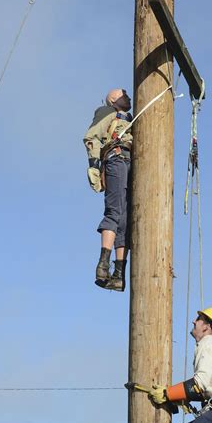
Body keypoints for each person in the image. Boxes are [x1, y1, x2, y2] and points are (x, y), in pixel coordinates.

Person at [83, 89, 133, 291]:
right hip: (117, 159)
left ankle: (119, 274)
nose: (128, 97)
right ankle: (103, 264)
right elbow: (91, 137)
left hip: (131, 164)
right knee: (114, 212)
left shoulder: (132, 118)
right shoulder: (107, 112)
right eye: (123, 94)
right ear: (113, 100)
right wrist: (94, 166)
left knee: (125, 221)